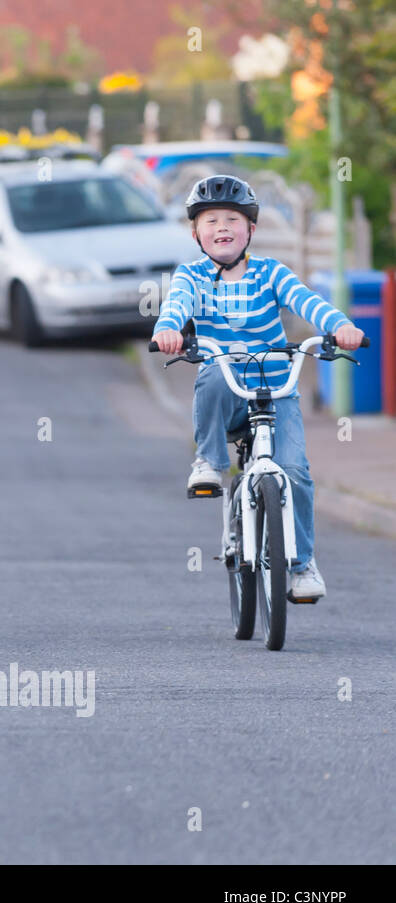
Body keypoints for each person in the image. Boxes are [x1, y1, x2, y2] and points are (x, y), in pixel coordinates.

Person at [151, 174, 365, 600]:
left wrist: (338, 325)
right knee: (211, 370)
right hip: (226, 388)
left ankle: (303, 566)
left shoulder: (271, 273)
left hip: (276, 388)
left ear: (251, 229)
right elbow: (174, 309)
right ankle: (209, 462)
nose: (223, 227)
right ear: (196, 233)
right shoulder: (190, 278)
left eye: (233, 219)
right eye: (211, 221)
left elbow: (307, 300)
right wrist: (169, 330)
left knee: (296, 473)